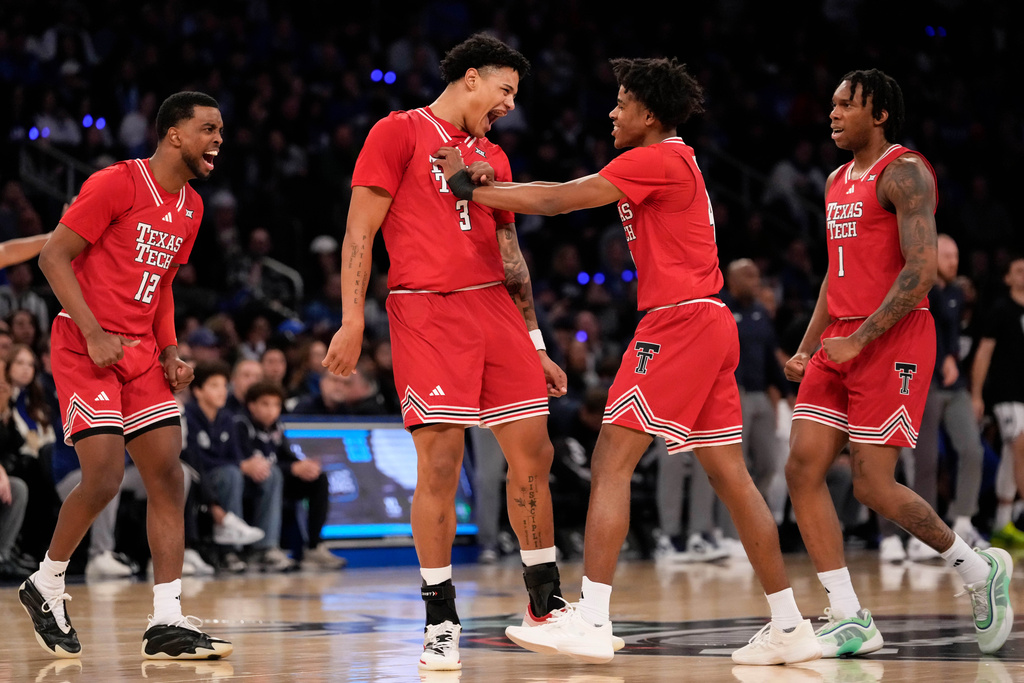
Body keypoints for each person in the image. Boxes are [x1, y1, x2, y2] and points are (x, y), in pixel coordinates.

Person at [435, 56, 820, 666]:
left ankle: (590, 617)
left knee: (611, 461)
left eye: (621, 103)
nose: (612, 112)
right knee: (732, 477)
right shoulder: (676, 159)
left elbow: (564, 199)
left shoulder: (656, 157)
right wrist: (489, 186)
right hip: (711, 320)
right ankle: (790, 623)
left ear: (648, 112)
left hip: (680, 322)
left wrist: (471, 188)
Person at [321, 33, 585, 672]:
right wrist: (352, 317)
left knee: (536, 451)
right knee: (441, 462)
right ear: (473, 76)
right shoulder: (398, 131)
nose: (508, 106)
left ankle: (544, 604)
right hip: (426, 308)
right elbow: (360, 231)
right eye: (505, 90)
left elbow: (513, 260)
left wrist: (536, 341)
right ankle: (440, 616)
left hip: (495, 309)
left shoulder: (493, 153)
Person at [782, 69, 1012, 657]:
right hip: (840, 338)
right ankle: (848, 614)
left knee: (873, 486)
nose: (831, 114)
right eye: (829, 105)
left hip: (895, 338)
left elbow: (921, 271)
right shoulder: (835, 179)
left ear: (878, 112)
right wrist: (810, 346)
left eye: (843, 104)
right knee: (802, 468)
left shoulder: (905, 173)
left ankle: (975, 567)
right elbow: (836, 277)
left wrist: (860, 340)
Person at [21, 91, 231, 659]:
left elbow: (161, 284)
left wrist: (168, 350)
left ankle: (167, 618)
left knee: (169, 475)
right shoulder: (116, 183)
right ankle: (48, 581)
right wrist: (92, 332)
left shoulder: (191, 207)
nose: (218, 139)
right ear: (174, 135)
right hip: (84, 342)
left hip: (139, 352)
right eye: (208, 129)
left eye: (220, 130)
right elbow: (53, 257)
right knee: (107, 474)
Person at [878, 234, 989, 561]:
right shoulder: (915, 289)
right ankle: (919, 534)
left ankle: (963, 520)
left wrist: (952, 357)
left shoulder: (955, 292)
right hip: (918, 384)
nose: (954, 261)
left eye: (956, 255)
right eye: (946, 255)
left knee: (972, 450)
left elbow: (953, 335)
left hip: (953, 387)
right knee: (924, 461)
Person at [184, 360, 291, 572]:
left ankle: (265, 548)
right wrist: (240, 466)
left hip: (227, 474)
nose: (222, 391)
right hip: (201, 479)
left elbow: (235, 455)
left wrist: (248, 464)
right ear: (197, 391)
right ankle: (230, 550)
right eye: (214, 386)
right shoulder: (188, 416)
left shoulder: (226, 417)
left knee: (271, 473)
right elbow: (195, 459)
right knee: (231, 473)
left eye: (224, 386)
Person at [236, 379, 345, 570]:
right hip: (250, 483)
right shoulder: (240, 425)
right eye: (265, 404)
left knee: (318, 479)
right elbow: (246, 461)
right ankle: (265, 549)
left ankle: (313, 546)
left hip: (276, 478)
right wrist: (291, 469)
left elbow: (286, 457)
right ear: (251, 406)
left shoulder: (276, 427)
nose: (272, 410)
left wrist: (303, 466)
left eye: (276, 405)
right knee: (274, 474)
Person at [971, 255, 1024, 548]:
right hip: (1007, 395)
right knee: (1021, 448)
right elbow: (983, 353)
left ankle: (1003, 523)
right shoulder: (1001, 310)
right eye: (1019, 271)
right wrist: (977, 394)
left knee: (1011, 456)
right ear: (1008, 278)